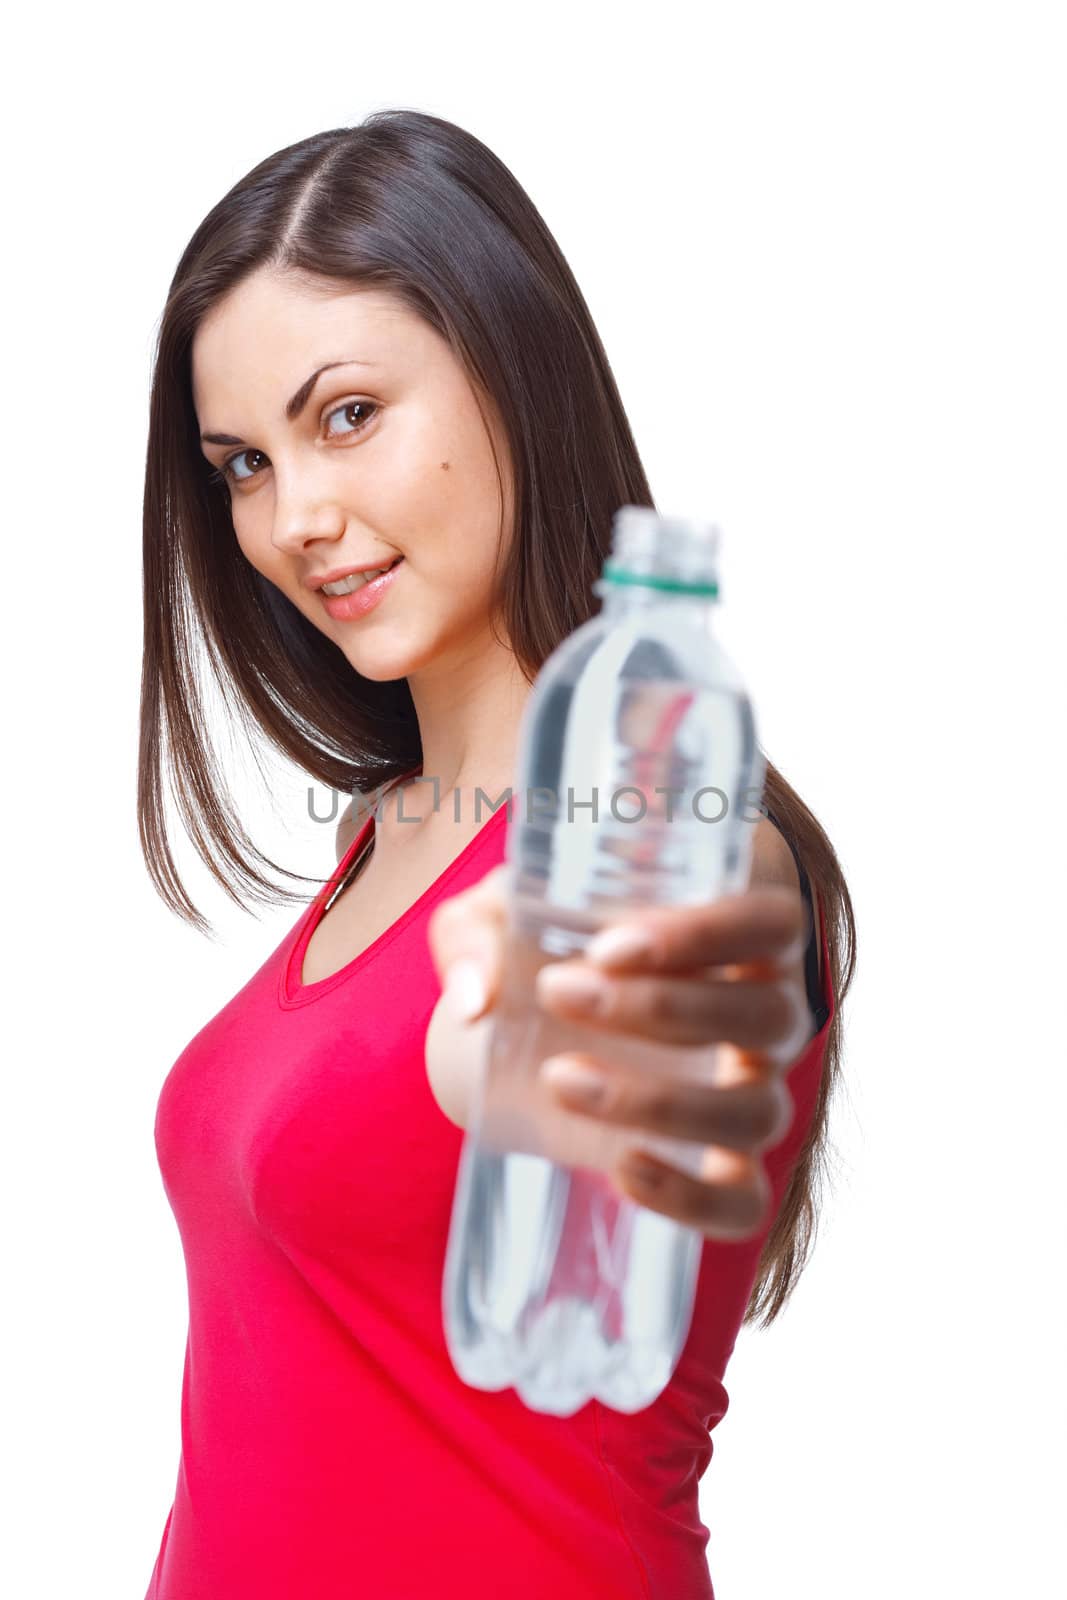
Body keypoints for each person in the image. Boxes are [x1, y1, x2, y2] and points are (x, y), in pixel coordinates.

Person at [139, 108, 856, 1599]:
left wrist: (526, 1061)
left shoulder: (673, 841)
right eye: (242, 465)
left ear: (510, 369)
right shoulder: (374, 846)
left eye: (347, 416)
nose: (296, 520)